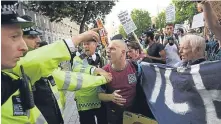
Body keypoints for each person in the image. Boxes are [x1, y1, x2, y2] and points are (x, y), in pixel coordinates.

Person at [1, 1, 110, 123]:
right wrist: (77, 39)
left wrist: (103, 79)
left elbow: (71, 78)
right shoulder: (19, 69)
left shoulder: (15, 75)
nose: (37, 41)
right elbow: (35, 61)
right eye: (14, 37)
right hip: (84, 104)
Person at [98, 39, 154, 124]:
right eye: (108, 48)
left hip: (135, 114)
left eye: (112, 49)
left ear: (123, 52)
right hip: (115, 116)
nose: (108, 51)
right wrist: (111, 97)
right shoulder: (104, 72)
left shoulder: (135, 67)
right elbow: (98, 95)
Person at [74, 39, 109, 124]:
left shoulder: (101, 57)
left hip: (100, 97)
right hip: (85, 99)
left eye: (88, 44)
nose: (85, 46)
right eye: (84, 44)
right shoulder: (79, 58)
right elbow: (77, 68)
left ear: (95, 44)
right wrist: (95, 70)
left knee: (103, 121)